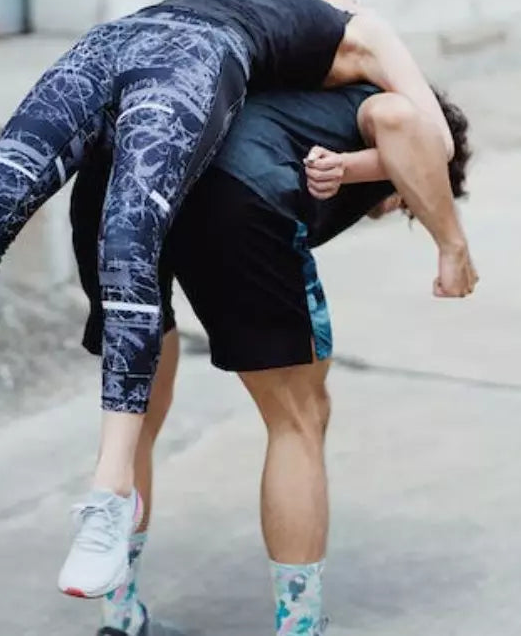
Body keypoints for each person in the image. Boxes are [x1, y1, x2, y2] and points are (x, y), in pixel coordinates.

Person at [0, 0, 476, 601]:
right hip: (204, 113)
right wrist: (450, 244)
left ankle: (103, 577)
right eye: (403, 204)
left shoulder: (281, 52)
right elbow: (424, 132)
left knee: (3, 246)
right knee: (289, 408)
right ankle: (285, 614)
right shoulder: (367, 49)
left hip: (117, 89)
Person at [70, 82, 473, 635]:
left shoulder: (300, 102)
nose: (400, 208)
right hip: (233, 190)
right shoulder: (381, 110)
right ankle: (299, 628)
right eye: (410, 202)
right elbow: (399, 118)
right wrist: (452, 242)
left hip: (116, 173)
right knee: (299, 418)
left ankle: (119, 618)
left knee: (134, 414)